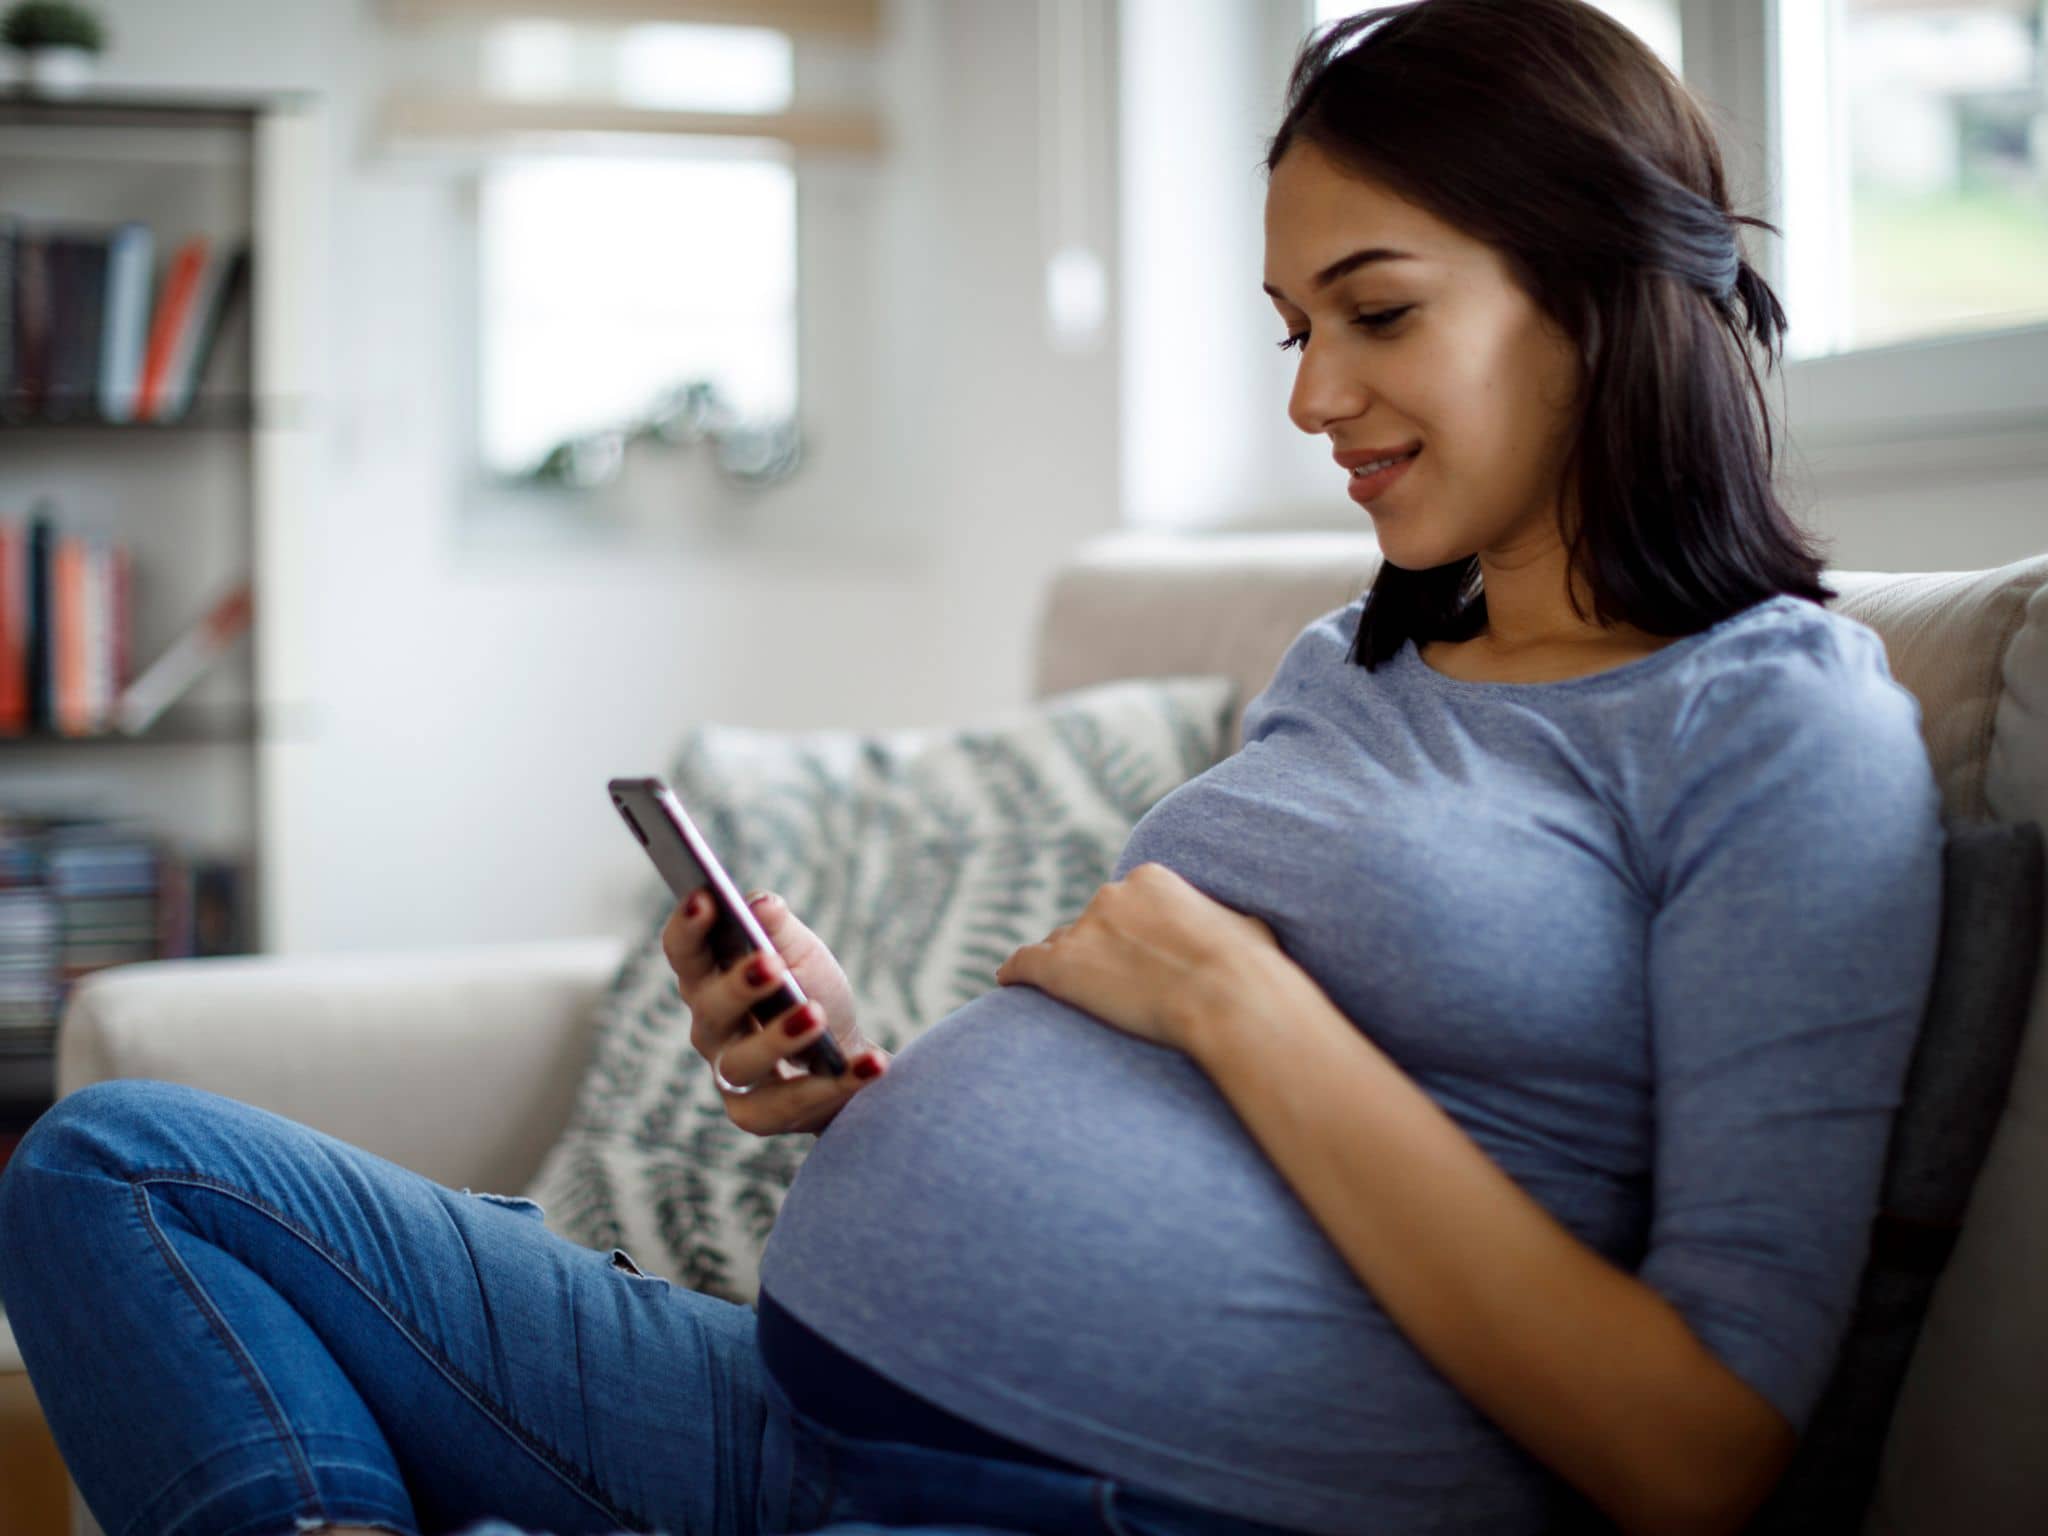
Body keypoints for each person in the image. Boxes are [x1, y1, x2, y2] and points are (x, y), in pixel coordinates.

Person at [0, 3, 1946, 1534]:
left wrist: (1242, 1004)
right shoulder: (1351, 659)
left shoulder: (1777, 726)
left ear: (1598, 291)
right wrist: (866, 1087)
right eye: (1291, 329)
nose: (1310, 395)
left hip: (1128, 1497)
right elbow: (1154, 1126)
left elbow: (1698, 1454)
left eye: (1377, 312)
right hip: (789, 1411)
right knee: (118, 1166)